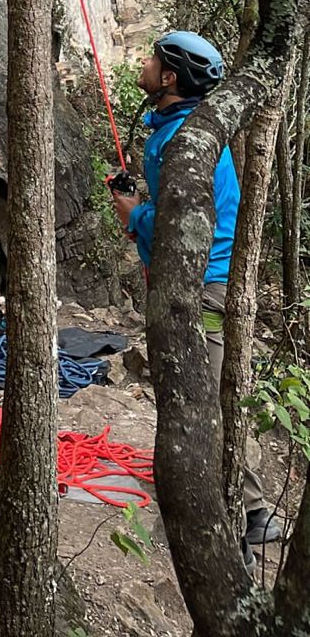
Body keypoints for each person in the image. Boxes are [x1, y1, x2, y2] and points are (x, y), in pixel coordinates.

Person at [110, 31, 282, 552]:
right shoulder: (181, 130)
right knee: (198, 390)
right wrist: (139, 203)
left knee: (207, 393)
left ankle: (252, 511)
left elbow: (182, 224)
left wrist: (132, 215)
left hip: (207, 284)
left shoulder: (180, 139)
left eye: (153, 58)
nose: (142, 61)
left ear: (169, 79)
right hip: (206, 278)